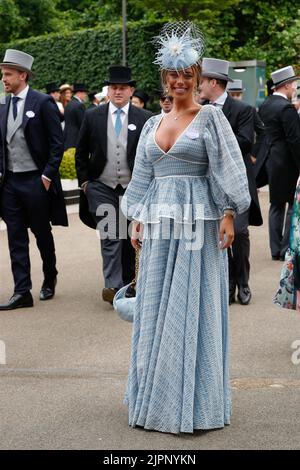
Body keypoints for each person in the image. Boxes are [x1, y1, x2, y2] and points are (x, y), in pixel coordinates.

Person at [120, 22, 250, 434]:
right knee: (157, 310)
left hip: (200, 225)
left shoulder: (211, 118)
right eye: (173, 75)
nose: (179, 81)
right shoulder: (150, 126)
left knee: (194, 310)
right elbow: (142, 178)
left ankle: (194, 401)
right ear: (165, 78)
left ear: (197, 78)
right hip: (159, 228)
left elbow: (227, 169)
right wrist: (136, 217)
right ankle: (156, 397)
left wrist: (229, 212)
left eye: (187, 74)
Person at [0, 49, 68, 310]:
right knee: (15, 236)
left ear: (22, 75)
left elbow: (56, 143)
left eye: (8, 74)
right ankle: (22, 291)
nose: (4, 79)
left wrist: (47, 176)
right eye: (3, 74)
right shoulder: (2, 104)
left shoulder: (42, 103)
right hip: (10, 183)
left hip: (36, 181)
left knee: (41, 233)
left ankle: (50, 276)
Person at [75, 65, 149, 305]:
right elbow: (81, 151)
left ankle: (129, 283)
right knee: (109, 233)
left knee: (130, 236)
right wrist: (85, 182)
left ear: (131, 91)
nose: (118, 92)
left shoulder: (144, 118)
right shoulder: (92, 115)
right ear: (108, 91)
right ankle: (112, 285)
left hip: (132, 186)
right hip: (102, 185)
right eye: (114, 88)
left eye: (123, 88)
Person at [199, 58, 263, 306]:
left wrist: (216, 143)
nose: (199, 87)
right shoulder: (201, 109)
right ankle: (228, 284)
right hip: (212, 185)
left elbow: (246, 141)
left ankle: (243, 282)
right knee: (220, 236)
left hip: (238, 182)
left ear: (214, 82)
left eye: (202, 82)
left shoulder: (242, 110)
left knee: (239, 232)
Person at [257, 66, 300, 261]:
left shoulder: (266, 105)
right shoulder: (286, 108)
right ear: (288, 85)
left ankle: (275, 249)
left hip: (272, 161)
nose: (295, 89)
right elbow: (295, 140)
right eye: (294, 85)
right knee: (292, 205)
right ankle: (285, 248)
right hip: (289, 163)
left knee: (276, 205)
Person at [64, 83, 88, 150]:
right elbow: (83, 125)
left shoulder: (69, 104)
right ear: (79, 92)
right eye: (85, 93)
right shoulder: (79, 105)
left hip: (67, 138)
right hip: (76, 139)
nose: (86, 95)